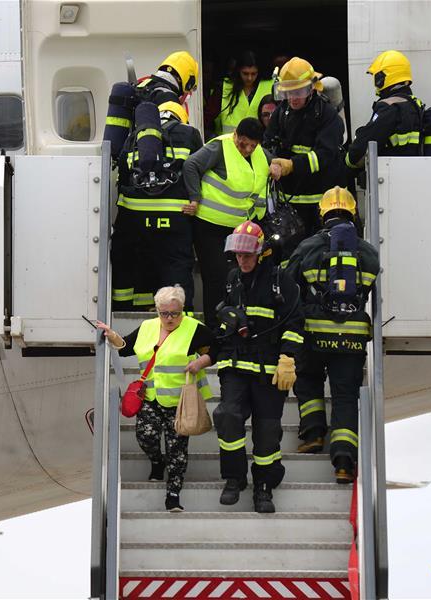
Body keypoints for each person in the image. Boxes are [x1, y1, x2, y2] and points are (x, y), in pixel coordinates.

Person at [284, 187, 379, 483]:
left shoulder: (307, 246)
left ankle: (313, 434)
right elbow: (372, 290)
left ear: (322, 212)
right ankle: (343, 461)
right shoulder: (367, 251)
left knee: (309, 382)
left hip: (313, 334)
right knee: (345, 398)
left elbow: (288, 285)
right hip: (351, 339)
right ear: (353, 213)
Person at [211, 221, 304, 513]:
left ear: (261, 252)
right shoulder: (232, 279)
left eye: (247, 255)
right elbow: (225, 322)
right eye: (238, 255)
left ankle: (263, 486)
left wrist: (288, 358)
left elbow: (294, 324)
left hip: (268, 371)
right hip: (235, 366)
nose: (242, 260)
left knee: (266, 431)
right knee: (227, 416)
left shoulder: (281, 281)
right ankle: (234, 478)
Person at [96, 285, 216, 512]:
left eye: (175, 313)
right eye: (164, 313)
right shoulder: (147, 327)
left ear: (182, 309)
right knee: (145, 436)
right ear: (157, 310)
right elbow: (125, 348)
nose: (170, 318)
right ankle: (156, 461)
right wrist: (112, 335)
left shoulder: (195, 328)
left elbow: (218, 348)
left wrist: (202, 361)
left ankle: (173, 495)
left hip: (180, 402)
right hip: (151, 397)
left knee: (177, 450)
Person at [182, 117, 282, 329]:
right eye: (242, 143)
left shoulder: (260, 153)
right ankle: (213, 331)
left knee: (239, 278)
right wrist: (195, 197)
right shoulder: (220, 146)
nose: (246, 149)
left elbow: (272, 161)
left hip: (239, 229)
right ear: (236, 134)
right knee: (216, 278)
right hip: (210, 225)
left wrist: (276, 165)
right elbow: (191, 165)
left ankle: (236, 325)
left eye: (252, 146)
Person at [111, 102, 204, 310]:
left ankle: (128, 314)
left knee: (133, 266)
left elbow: (124, 177)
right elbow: (198, 172)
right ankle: (180, 319)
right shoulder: (190, 134)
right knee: (177, 266)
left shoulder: (135, 135)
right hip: (175, 215)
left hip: (134, 215)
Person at [264, 57, 345, 239]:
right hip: (289, 202)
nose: (292, 98)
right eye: (287, 93)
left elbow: (324, 155)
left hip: (320, 202)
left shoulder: (327, 116)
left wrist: (292, 165)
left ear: (311, 88)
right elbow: (268, 141)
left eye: (298, 92)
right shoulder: (282, 112)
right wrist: (272, 161)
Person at [345, 50, 426, 170]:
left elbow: (358, 151)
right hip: (412, 171)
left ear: (382, 78)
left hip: (391, 174)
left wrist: (348, 159)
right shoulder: (414, 103)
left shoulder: (389, 106)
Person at [209, 51, 273, 137]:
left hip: (260, 144)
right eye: (245, 73)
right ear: (238, 71)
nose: (249, 78)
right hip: (230, 145)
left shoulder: (269, 86)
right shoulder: (224, 88)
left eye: (254, 74)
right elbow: (207, 117)